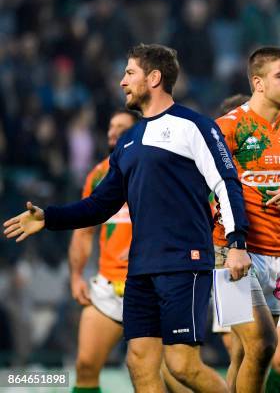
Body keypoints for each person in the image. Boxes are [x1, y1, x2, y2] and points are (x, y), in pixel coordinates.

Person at [4, 43, 251, 393]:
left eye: (130, 73)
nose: (122, 82)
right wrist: (49, 217)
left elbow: (226, 183)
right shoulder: (129, 142)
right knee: (138, 360)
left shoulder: (193, 125)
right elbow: (100, 204)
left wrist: (238, 242)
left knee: (181, 366)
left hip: (184, 262)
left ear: (154, 78)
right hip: (141, 269)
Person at [212, 46, 280, 393]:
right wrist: (229, 244)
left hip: (276, 255)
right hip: (234, 253)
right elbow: (204, 191)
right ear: (258, 83)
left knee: (248, 353)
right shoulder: (227, 128)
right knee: (263, 345)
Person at [69, 109, 137, 392]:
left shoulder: (158, 169)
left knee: (152, 371)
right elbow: (84, 232)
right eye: (110, 126)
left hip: (149, 284)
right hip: (108, 286)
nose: (112, 132)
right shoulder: (98, 175)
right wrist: (76, 276)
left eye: (121, 127)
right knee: (85, 366)